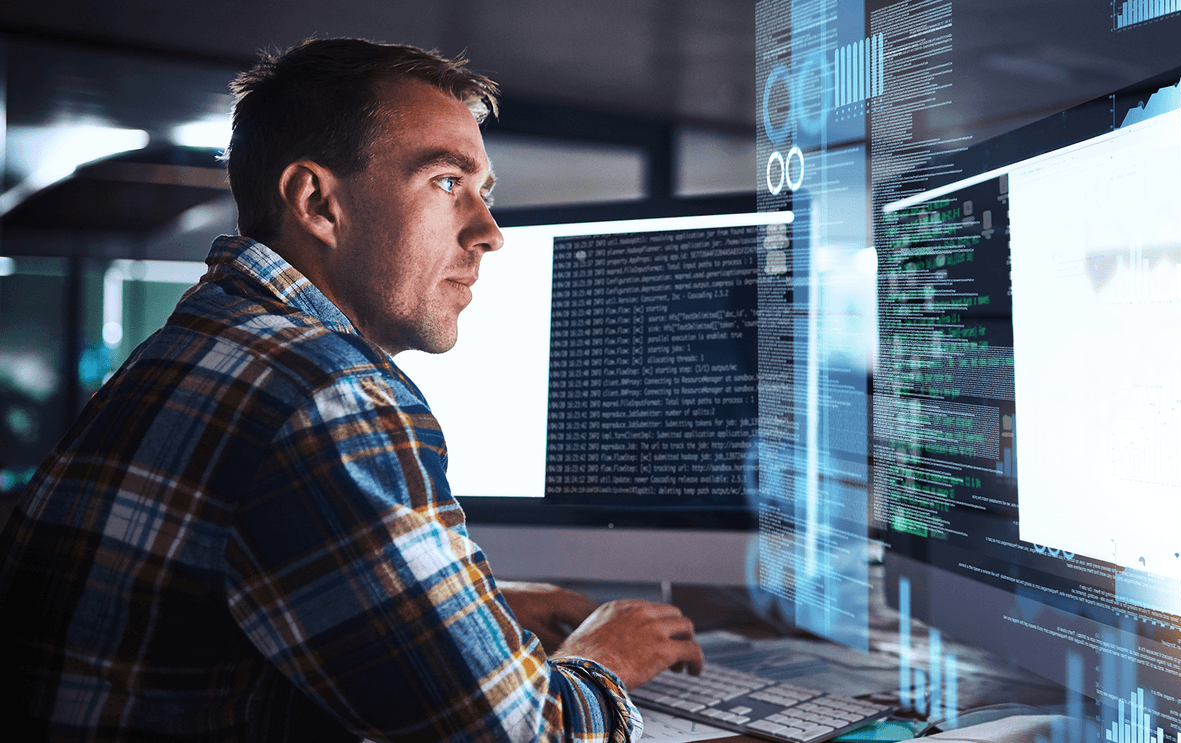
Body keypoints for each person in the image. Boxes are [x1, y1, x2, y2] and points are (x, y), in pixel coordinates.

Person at [0, 38, 703, 742]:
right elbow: (520, 733)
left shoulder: (201, 343)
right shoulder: (329, 393)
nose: (490, 233)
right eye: (446, 182)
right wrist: (603, 654)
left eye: (484, 193)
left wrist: (477, 605)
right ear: (317, 203)